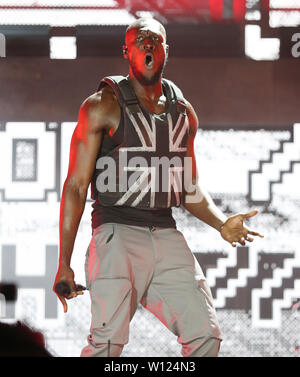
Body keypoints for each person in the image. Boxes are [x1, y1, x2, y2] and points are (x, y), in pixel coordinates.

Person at [53, 17, 263, 357]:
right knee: (106, 346)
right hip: (116, 231)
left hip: (166, 232)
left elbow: (188, 188)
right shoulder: (101, 106)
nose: (148, 45)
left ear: (167, 49)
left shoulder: (184, 113)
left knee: (206, 336)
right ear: (127, 51)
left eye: (155, 39)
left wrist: (222, 223)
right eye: (140, 40)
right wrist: (64, 262)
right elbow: (76, 187)